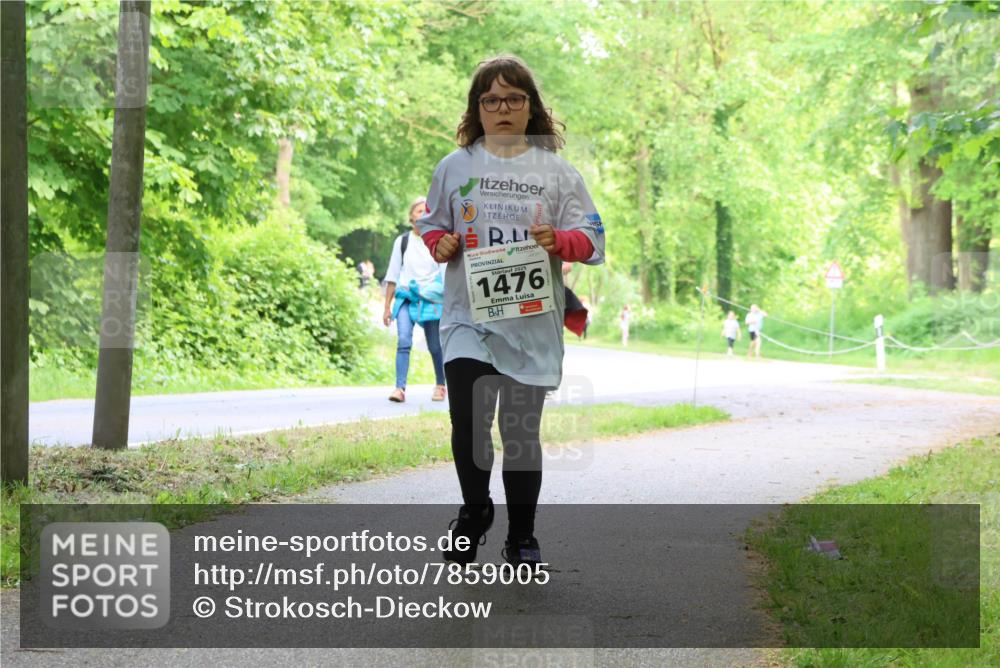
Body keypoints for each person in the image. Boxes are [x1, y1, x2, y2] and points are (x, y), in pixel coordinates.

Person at [416, 54, 605, 567]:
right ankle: (475, 510)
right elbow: (429, 223)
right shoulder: (455, 167)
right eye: (491, 99)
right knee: (469, 424)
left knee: (520, 432)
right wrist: (440, 243)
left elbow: (593, 239)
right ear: (477, 109)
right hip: (466, 318)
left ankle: (522, 536)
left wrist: (560, 240)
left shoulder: (557, 172)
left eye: (514, 99)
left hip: (529, 321)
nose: (503, 108)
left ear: (531, 107)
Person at [383, 197, 447, 403]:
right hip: (406, 298)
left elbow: (444, 275)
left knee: (435, 346)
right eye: (419, 210)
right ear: (411, 216)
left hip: (430, 300)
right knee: (403, 341)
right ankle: (399, 389)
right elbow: (392, 276)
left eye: (426, 210)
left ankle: (440, 385)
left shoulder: (437, 241)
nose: (423, 213)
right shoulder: (402, 242)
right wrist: (387, 308)